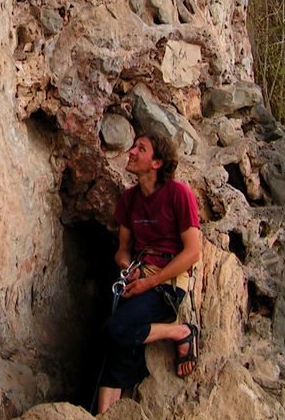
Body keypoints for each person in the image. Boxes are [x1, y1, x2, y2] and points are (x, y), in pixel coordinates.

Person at [96, 133, 202, 413]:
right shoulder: (130, 199)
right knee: (114, 350)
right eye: (134, 146)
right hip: (140, 277)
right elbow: (122, 251)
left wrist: (150, 281)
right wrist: (128, 268)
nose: (131, 151)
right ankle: (104, 415)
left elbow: (192, 251)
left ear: (157, 162)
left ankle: (181, 332)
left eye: (140, 149)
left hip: (167, 282)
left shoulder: (179, 194)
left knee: (114, 329)